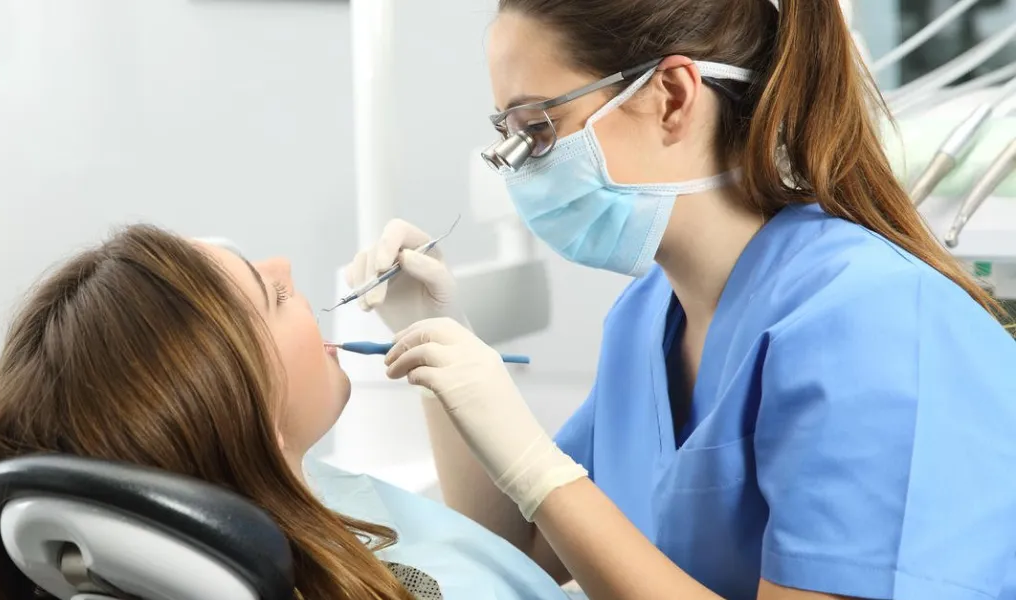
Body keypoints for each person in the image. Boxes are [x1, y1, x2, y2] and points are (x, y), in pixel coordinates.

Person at [347, 1, 1016, 599]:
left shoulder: (876, 322)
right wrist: (434, 339)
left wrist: (537, 465)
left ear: (671, 95)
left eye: (540, 130)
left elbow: (545, 492)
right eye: (510, 134)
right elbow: (513, 552)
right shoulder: (645, 320)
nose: (519, 167)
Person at [0, 224, 570, 600]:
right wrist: (540, 472)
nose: (284, 265)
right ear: (253, 424)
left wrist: (432, 340)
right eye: (272, 295)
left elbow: (485, 553)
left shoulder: (286, 495)